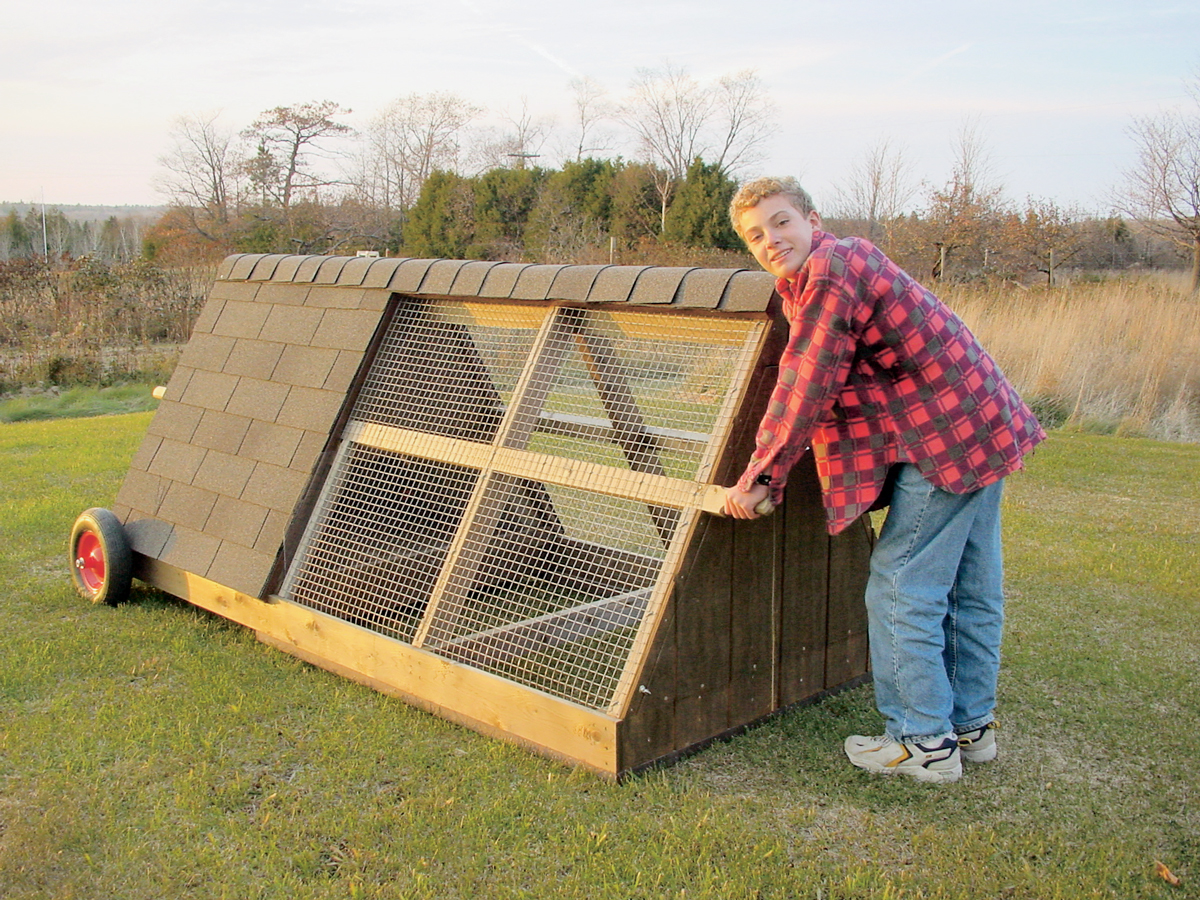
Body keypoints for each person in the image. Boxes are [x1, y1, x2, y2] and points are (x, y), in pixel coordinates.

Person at [723, 177, 1045, 784]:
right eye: (756, 235)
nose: (772, 240)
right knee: (970, 587)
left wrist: (764, 472)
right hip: (983, 423)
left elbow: (808, 378)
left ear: (812, 219)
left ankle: (922, 741)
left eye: (781, 221)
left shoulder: (831, 269)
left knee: (901, 587)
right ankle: (970, 727)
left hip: (945, 439)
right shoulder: (842, 262)